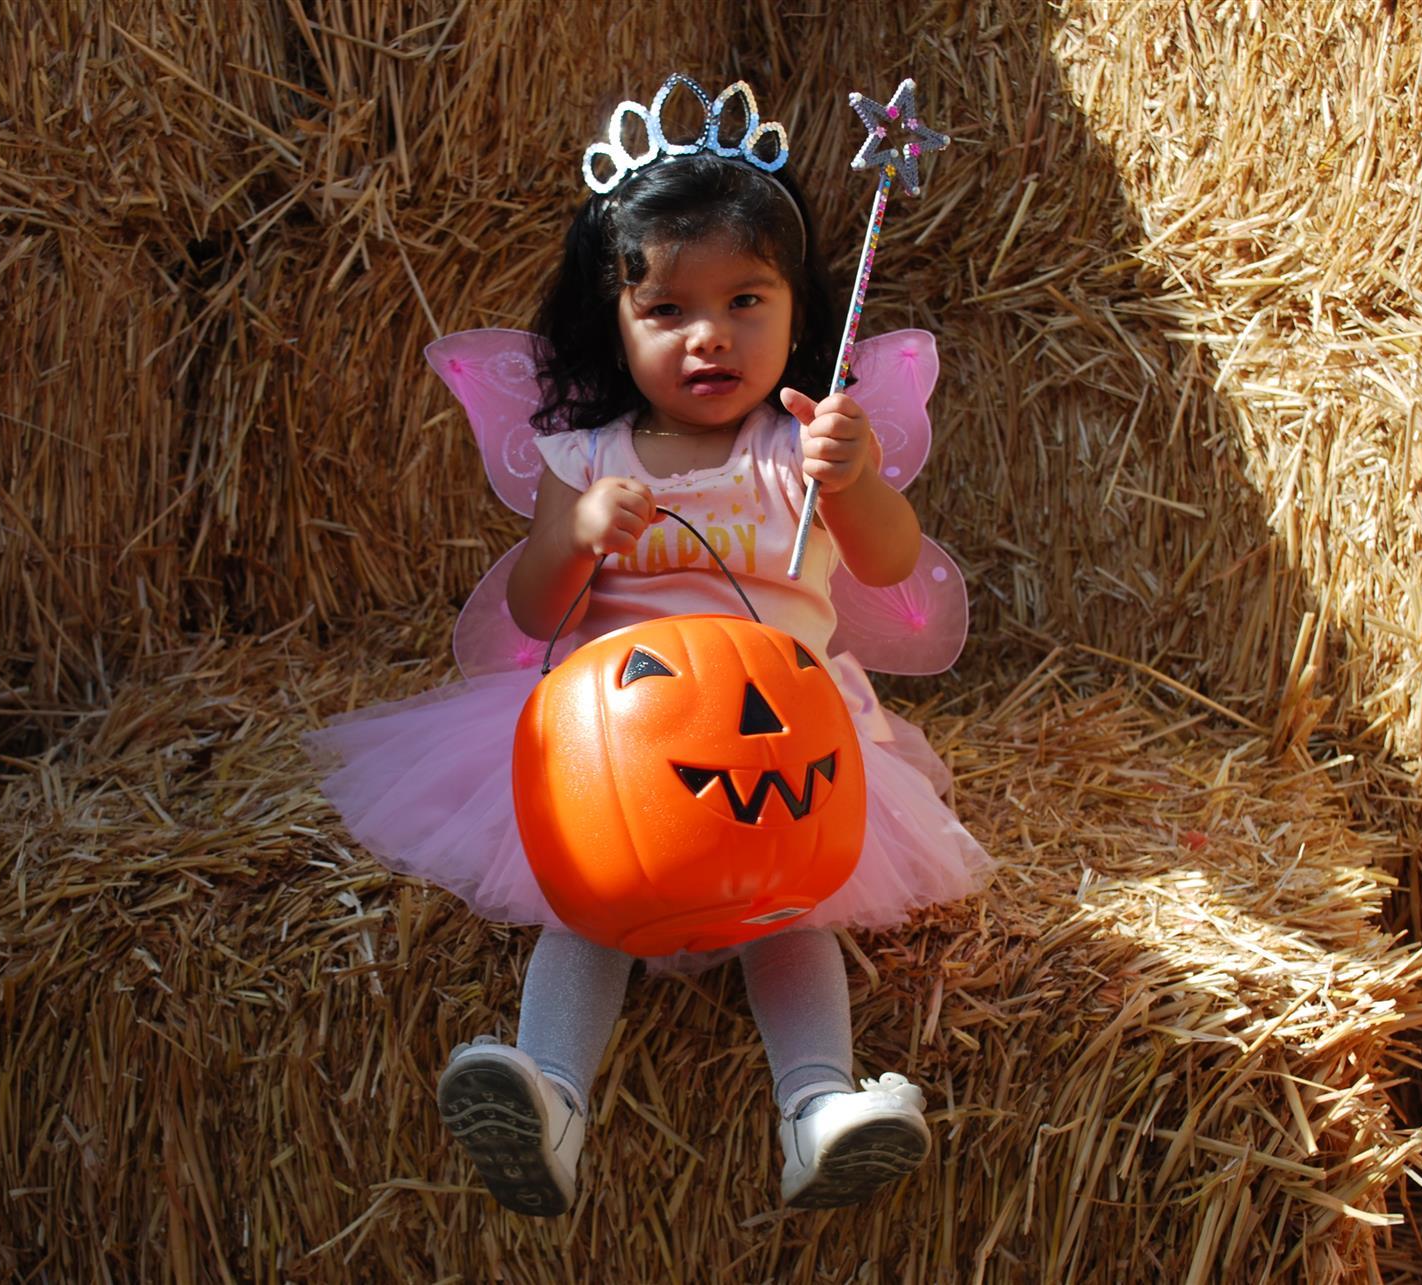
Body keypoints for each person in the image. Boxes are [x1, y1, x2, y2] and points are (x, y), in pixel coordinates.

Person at [305, 75, 991, 1216]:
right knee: (593, 894)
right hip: (615, 743)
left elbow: (883, 560)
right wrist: (573, 536)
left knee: (790, 906)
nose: (709, 335)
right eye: (667, 309)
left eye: (745, 301)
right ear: (612, 323)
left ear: (796, 311)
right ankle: (550, 1097)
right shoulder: (591, 455)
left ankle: (817, 1108)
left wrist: (860, 483)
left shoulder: (801, 447)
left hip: (781, 739)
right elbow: (532, 612)